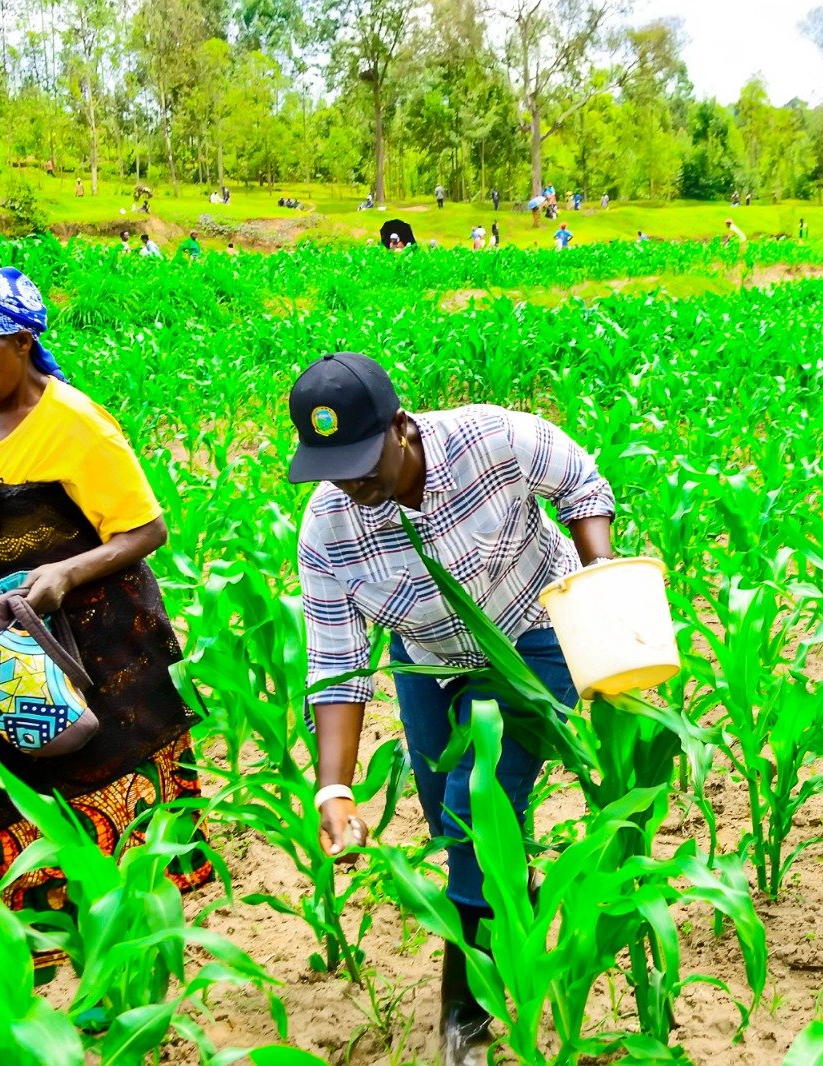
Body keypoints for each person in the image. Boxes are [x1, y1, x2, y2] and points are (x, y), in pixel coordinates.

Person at [0, 259, 211, 1014]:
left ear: (23, 342)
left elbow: (145, 528)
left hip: (89, 646)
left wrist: (65, 574)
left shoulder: (77, 424)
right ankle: (5, 963)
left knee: (94, 800)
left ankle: (108, 974)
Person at [287, 353, 615, 1065]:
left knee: (480, 800)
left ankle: (465, 1014)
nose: (351, 481)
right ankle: (507, 894)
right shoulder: (327, 531)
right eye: (332, 466)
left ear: (402, 428)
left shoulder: (490, 439)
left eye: (363, 459)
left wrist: (597, 587)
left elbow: (582, 485)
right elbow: (337, 662)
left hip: (533, 628)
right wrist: (334, 786)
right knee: (451, 826)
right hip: (430, 658)